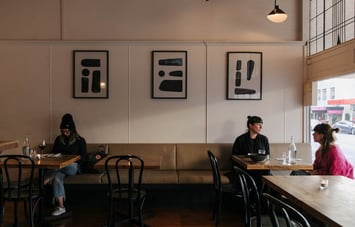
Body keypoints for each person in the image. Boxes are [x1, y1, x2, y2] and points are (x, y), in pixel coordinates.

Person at [44, 113, 87, 216]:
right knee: (57, 177)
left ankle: (44, 180)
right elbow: (53, 153)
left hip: (73, 167)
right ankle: (61, 207)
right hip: (59, 168)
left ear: (72, 130)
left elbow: (83, 157)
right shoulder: (58, 139)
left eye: (67, 131)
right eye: (63, 131)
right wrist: (56, 157)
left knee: (61, 168)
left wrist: (72, 160)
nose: (65, 133)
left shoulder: (80, 140)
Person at [230, 116, 271, 194]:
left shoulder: (264, 139)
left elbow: (268, 155)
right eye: (258, 124)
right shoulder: (240, 139)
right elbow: (234, 157)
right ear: (250, 125)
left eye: (261, 125)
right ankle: (256, 200)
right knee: (261, 176)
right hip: (244, 169)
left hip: (260, 169)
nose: (261, 127)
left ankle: (263, 201)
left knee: (267, 173)